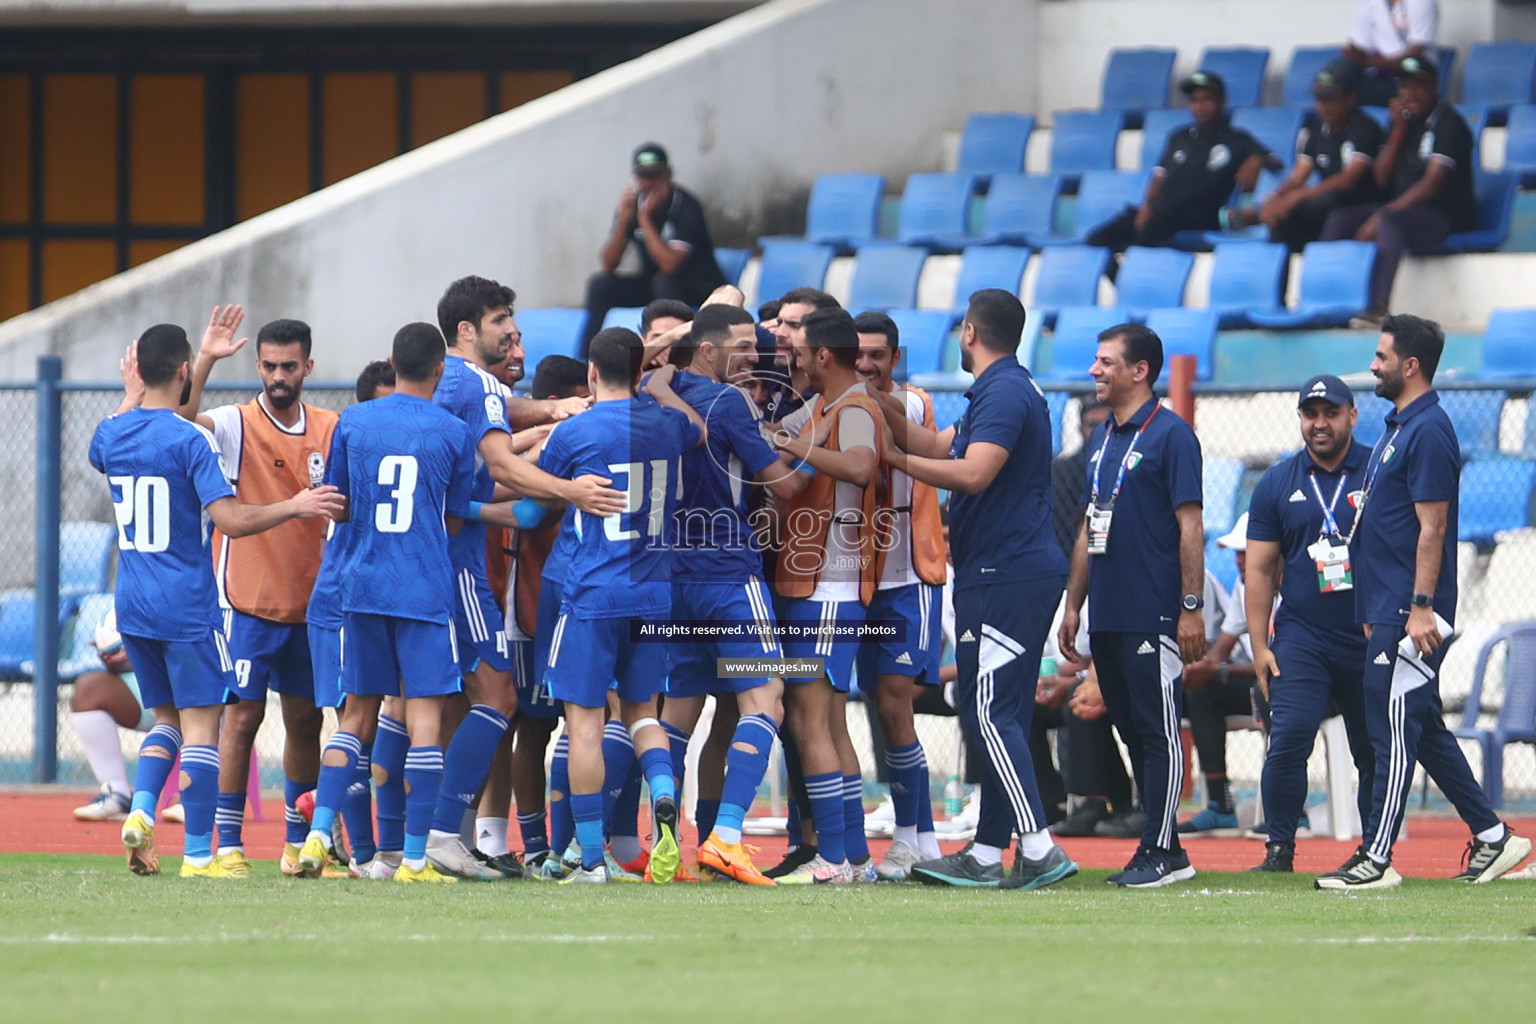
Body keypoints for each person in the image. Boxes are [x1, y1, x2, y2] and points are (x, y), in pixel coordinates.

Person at [92, 324, 343, 877]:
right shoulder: (196, 438)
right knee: (208, 726)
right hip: (192, 602)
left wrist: (130, 394)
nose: (279, 376)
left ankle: (139, 812)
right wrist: (296, 506)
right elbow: (228, 519)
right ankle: (205, 852)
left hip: (133, 600)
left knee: (168, 721)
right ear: (185, 371)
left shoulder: (110, 435)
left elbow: (108, 441)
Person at [1318, 316, 1533, 889]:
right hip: (1387, 608)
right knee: (1424, 728)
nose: (1373, 364)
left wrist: (1417, 607)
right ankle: (1494, 839)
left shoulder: (1430, 430)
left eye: (1382, 355)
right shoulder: (1398, 427)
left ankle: (1376, 858)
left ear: (1410, 365)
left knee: (1390, 732)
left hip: (1410, 611)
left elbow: (1432, 528)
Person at [879, 290, 1079, 892]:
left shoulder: (1005, 393)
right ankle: (989, 852)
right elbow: (940, 447)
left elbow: (971, 473)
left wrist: (891, 458)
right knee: (1003, 713)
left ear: (970, 331)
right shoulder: (1004, 390)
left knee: (985, 710)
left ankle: (1039, 848)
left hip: (1005, 572)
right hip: (1007, 569)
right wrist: (872, 402)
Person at [422, 275, 619, 881]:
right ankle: (438, 836)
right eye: (501, 318)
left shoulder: (448, 380)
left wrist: (551, 411)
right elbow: (502, 460)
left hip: (425, 558)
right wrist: (572, 490)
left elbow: (499, 417)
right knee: (500, 698)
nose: (512, 329)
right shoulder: (475, 381)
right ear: (466, 330)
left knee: (434, 705)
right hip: (457, 564)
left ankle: (411, 843)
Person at [297, 322, 476, 884]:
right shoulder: (452, 430)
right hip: (423, 587)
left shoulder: (354, 420)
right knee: (425, 721)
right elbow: (457, 512)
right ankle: (415, 861)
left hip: (363, 586)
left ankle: (319, 835)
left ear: (393, 362)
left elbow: (341, 503)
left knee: (354, 718)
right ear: (440, 371)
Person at [175, 309, 341, 878]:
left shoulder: (330, 427)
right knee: (240, 721)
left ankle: (297, 845)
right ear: (258, 365)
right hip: (245, 600)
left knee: (304, 723)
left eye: (288, 366)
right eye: (269, 365)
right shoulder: (235, 422)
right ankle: (226, 844)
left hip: (311, 603)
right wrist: (205, 359)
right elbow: (178, 419)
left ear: (308, 366)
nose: (277, 376)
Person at [537, 327, 706, 884]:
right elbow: (697, 430)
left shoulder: (577, 431)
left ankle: (589, 859)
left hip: (592, 593)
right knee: (642, 716)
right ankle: (661, 794)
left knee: (584, 726)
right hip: (654, 595)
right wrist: (660, 387)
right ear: (639, 374)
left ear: (590, 372)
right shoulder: (668, 426)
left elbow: (541, 493)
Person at [660, 303, 804, 885]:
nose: (756, 357)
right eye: (744, 347)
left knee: (677, 713)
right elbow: (787, 486)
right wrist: (806, 447)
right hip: (727, 573)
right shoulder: (729, 402)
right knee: (765, 697)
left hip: (673, 574)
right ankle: (725, 837)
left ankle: (664, 846)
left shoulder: (655, 397)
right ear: (709, 350)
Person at [1059, 323, 1206, 889]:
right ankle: (1158, 845)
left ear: (1139, 370)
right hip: (1109, 614)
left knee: (1157, 730)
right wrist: (1074, 605)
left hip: (1155, 612)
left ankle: (1163, 849)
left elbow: (1189, 526)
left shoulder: (1172, 436)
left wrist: (1189, 607)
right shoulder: (1103, 440)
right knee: (1132, 730)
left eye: (1105, 362)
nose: (1095, 371)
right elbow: (1088, 526)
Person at [765, 307, 887, 884]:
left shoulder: (856, 407)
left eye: (801, 349)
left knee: (810, 721)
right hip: (817, 585)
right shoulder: (827, 406)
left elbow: (861, 468)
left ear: (822, 356)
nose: (793, 356)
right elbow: (790, 454)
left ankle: (831, 859)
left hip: (830, 586)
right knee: (830, 724)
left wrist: (791, 443)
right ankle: (856, 858)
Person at [1244, 374, 1376, 873]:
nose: (1319, 423)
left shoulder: (1377, 471)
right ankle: (1279, 846)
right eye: (1310, 413)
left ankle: (1374, 850)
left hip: (1369, 633)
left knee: (1372, 747)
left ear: (1351, 415)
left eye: (1330, 413)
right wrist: (1260, 645)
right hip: (1302, 636)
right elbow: (1258, 569)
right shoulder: (1278, 481)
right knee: (1291, 734)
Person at [852, 311, 948, 880]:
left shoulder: (911, 402)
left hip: (909, 576)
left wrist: (853, 390)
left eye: (877, 355)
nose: (866, 364)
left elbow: (894, 416)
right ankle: (920, 840)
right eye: (856, 355)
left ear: (894, 358)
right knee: (876, 706)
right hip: (857, 578)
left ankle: (915, 837)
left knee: (894, 700)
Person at [299, 360, 395, 878]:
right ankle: (359, 852)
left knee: (389, 723)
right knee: (355, 725)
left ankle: (373, 841)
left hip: (387, 601)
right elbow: (333, 508)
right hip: (342, 604)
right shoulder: (349, 451)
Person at [502, 356, 590, 876]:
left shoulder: (566, 441)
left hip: (566, 601)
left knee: (569, 726)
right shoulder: (545, 444)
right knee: (536, 726)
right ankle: (544, 846)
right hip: (537, 604)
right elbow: (530, 512)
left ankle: (565, 844)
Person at [1320, 56, 1476, 330]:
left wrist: (1384, 214)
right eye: (1404, 86)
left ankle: (1379, 308)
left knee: (1388, 221)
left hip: (1444, 216)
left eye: (1418, 85)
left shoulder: (1449, 123)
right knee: (1340, 219)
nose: (1409, 93)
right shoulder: (1400, 122)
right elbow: (1381, 179)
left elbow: (1431, 184)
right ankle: (1325, 301)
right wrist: (1397, 132)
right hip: (1406, 211)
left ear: (1434, 87)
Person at [1087, 71, 1278, 251]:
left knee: (1145, 238)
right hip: (1161, 213)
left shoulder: (1238, 139)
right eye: (1195, 101)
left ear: (1222, 102)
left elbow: (1274, 161)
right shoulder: (1179, 136)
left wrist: (1256, 159)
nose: (1199, 106)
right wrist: (1147, 207)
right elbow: (1160, 176)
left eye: (1206, 100)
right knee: (1096, 240)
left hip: (1199, 216)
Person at [1226, 60, 1385, 251]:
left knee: (1322, 200)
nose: (1322, 106)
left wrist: (1299, 196)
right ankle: (1278, 268)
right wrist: (1277, 198)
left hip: (1359, 202)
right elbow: (1297, 177)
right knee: (1282, 216)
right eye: (1319, 99)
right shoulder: (1316, 130)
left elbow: (1349, 180)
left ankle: (1256, 217)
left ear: (1350, 98)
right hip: (1324, 202)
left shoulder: (1365, 128)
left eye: (1330, 99)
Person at [582, 143, 726, 350]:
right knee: (600, 284)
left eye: (654, 175)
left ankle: (673, 352)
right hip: (656, 287)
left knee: (664, 280)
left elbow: (669, 265)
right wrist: (623, 221)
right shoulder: (631, 206)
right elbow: (609, 263)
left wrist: (645, 219)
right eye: (642, 176)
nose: (648, 183)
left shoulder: (686, 207)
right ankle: (589, 356)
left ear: (668, 174)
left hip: (697, 288)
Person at [1177, 514, 1261, 837]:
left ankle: (1293, 810)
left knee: (1279, 690)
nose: (1239, 559)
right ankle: (1220, 803)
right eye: (1237, 552)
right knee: (1200, 689)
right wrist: (1202, 668)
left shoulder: (1298, 585)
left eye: (1246, 551)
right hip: (1256, 683)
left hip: (1296, 686)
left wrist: (1220, 669)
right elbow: (1222, 647)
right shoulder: (1243, 586)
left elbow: (1289, 663)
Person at [69, 606, 155, 823]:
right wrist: (114, 653)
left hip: (207, 692)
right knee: (88, 689)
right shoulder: (133, 586)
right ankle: (117, 794)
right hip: (152, 690)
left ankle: (201, 797)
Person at [1345, 0, 1439, 107]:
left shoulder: (1421, 2)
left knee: (1346, 94)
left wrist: (1370, 61)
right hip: (1381, 77)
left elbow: (1414, 54)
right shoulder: (1367, 4)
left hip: (1412, 79)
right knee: (1341, 77)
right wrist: (1352, 54)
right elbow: (1360, 49)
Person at [1051, 395, 1111, 561]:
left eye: (1106, 424)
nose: (1100, 431)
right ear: (1080, 428)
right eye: (1092, 425)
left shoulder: (1126, 466)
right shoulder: (1063, 472)